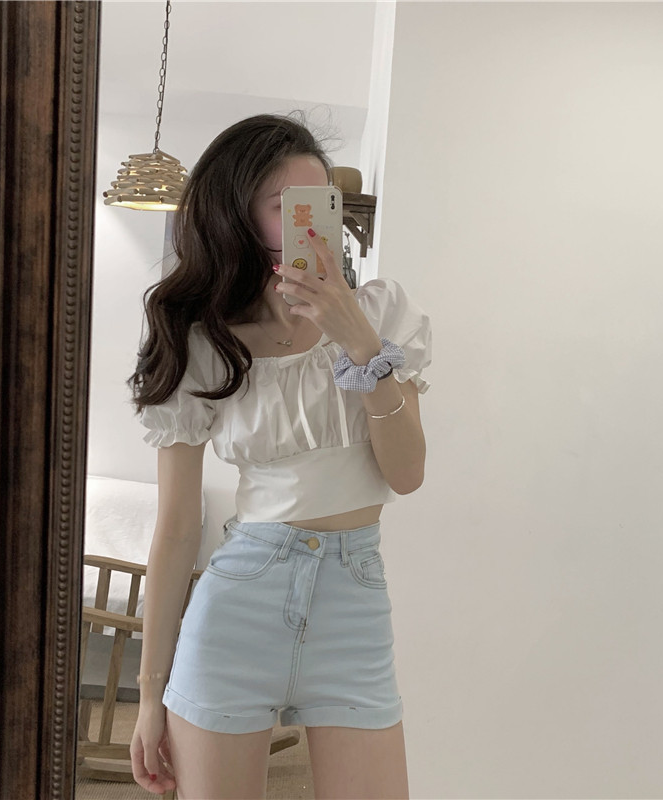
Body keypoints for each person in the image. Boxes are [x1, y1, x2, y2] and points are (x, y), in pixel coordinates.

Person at [126, 114, 432, 799]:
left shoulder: (382, 315)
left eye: (320, 203)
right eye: (285, 207)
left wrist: (360, 344)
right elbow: (175, 530)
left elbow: (407, 473)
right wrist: (148, 695)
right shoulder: (203, 340)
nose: (310, 225)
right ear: (237, 217)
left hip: (354, 607)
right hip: (239, 604)